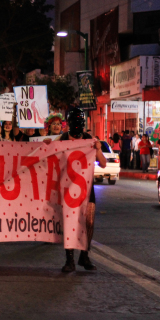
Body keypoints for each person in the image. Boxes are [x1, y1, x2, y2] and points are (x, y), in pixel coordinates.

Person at [59, 108, 106, 273]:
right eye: (75, 122)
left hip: (86, 187)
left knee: (89, 222)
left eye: (80, 122)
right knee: (70, 222)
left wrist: (98, 148)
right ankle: (69, 259)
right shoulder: (63, 139)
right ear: (69, 123)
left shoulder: (89, 139)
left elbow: (103, 163)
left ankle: (84, 255)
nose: (78, 126)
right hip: (68, 188)